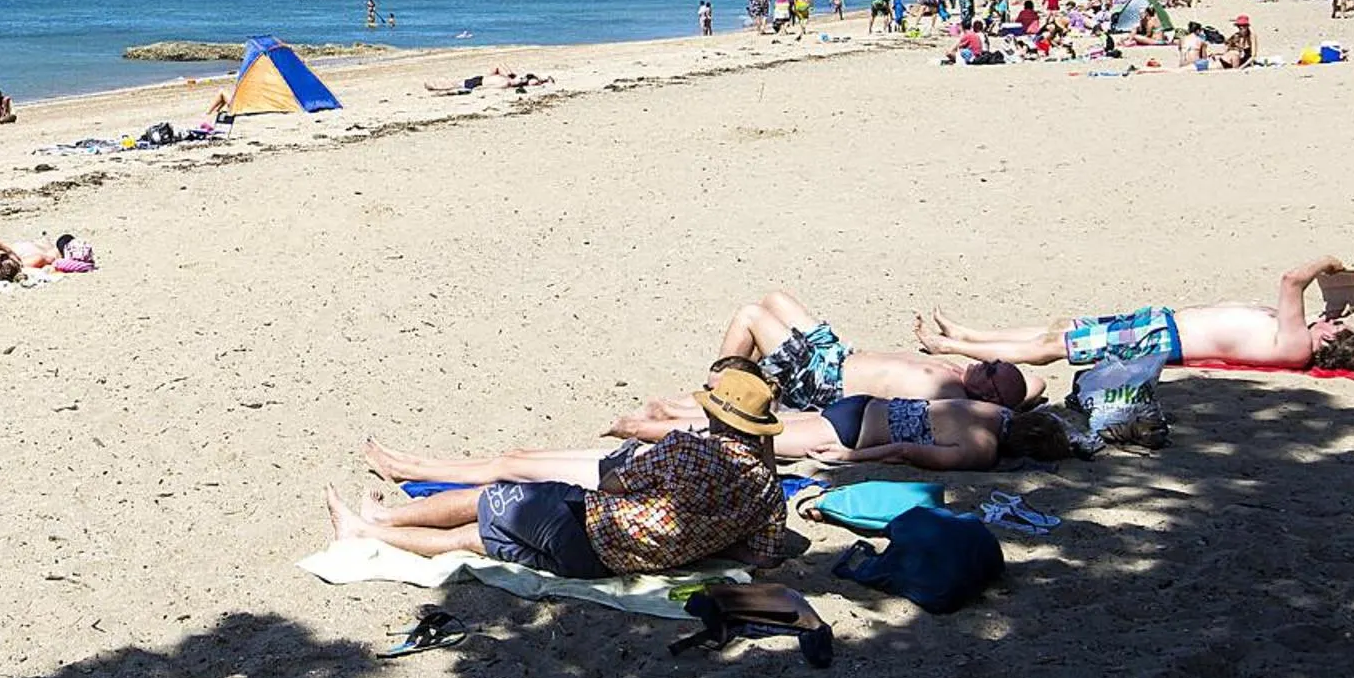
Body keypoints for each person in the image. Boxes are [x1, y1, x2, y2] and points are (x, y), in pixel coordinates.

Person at [327, 361, 788, 578]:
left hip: (590, 532)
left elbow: (612, 482)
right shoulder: (769, 492)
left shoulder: (688, 450)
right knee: (472, 539)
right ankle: (365, 534)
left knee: (492, 494)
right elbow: (761, 557)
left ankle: (384, 520)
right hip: (597, 568)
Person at [615, 289, 1034, 426]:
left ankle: (719, 393)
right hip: (836, 351)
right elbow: (1035, 385)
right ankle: (736, 386)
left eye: (993, 370)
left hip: (823, 379)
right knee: (775, 298)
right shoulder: (961, 375)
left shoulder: (955, 403)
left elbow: (1014, 400)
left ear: (990, 398)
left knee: (751, 317)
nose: (987, 363)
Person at [914, 255, 1354, 372]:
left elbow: (1292, 279)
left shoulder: (1298, 345)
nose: (1331, 318)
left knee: (1057, 347)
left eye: (1337, 324)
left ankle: (952, 347)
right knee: (1069, 327)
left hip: (1163, 339)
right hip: (1162, 326)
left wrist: (1329, 262)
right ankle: (969, 333)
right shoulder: (1297, 338)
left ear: (1331, 341)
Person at [605, 388, 1082, 470]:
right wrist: (851, 459)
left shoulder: (993, 411)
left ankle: (664, 414)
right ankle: (636, 427)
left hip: (861, 406)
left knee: (763, 424)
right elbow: (906, 453)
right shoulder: (983, 449)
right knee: (741, 435)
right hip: (857, 433)